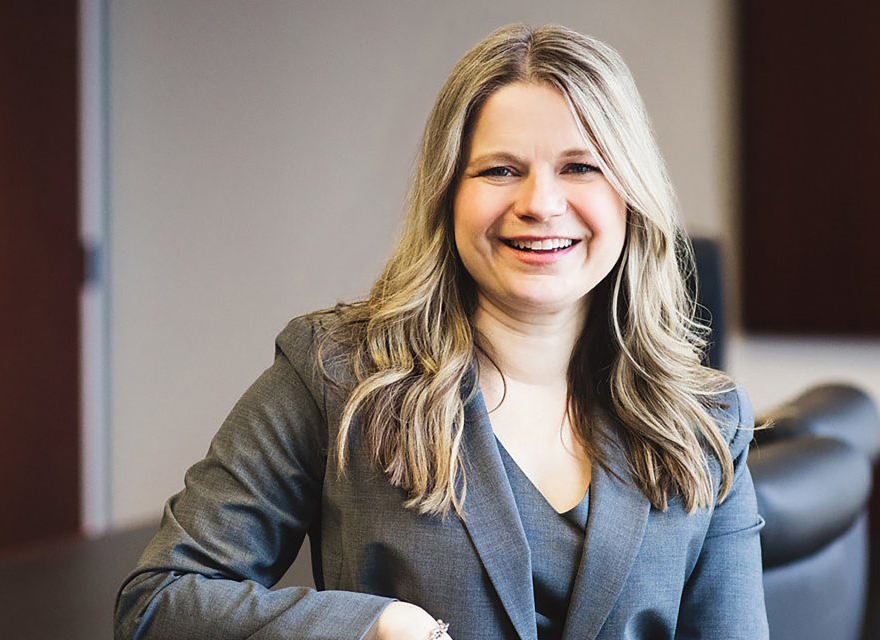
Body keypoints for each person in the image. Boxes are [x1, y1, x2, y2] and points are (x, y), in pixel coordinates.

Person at [114, 23, 768, 640]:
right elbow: (159, 604)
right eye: (500, 170)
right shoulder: (336, 376)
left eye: (580, 167)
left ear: (631, 195)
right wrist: (374, 626)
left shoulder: (707, 422)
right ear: (448, 193)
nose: (541, 204)